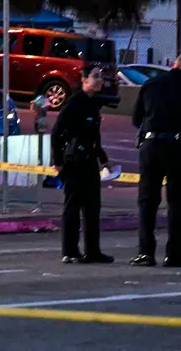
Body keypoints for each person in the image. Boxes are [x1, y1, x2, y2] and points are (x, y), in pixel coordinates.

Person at [130, 54, 181, 268]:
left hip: (151, 147)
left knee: (147, 201)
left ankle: (145, 253)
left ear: (173, 66)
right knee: (177, 202)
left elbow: (136, 118)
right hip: (178, 149)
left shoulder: (151, 84)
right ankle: (173, 253)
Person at [51, 64, 114, 264]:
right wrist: (58, 162)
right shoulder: (74, 103)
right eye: (95, 77)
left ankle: (92, 251)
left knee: (92, 207)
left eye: (101, 77)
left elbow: (94, 137)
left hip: (89, 162)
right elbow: (56, 134)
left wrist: (103, 159)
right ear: (84, 80)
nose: (100, 80)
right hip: (74, 161)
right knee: (72, 206)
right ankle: (69, 251)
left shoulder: (93, 104)